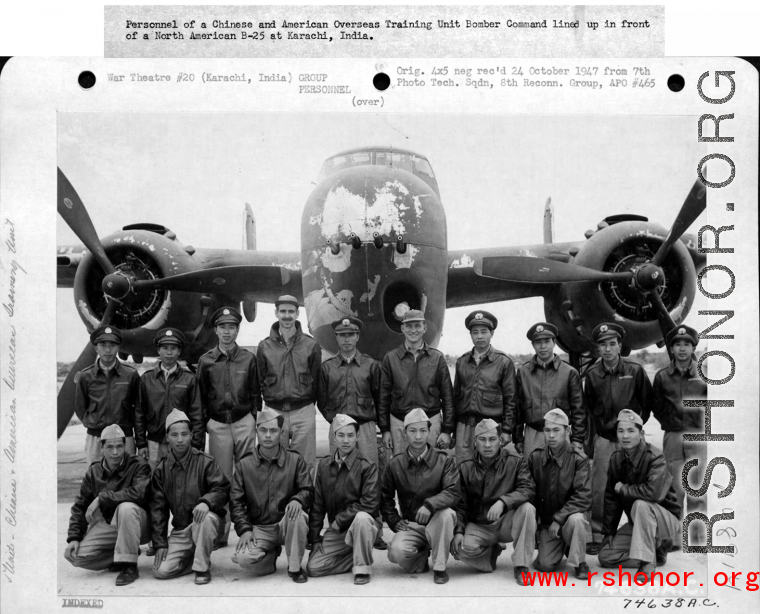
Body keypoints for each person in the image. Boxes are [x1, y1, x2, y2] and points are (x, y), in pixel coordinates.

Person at [317, 316, 387, 550]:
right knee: (337, 476)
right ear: (336, 337)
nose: (346, 339)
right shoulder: (327, 367)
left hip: (365, 427)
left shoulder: (371, 365)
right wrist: (335, 422)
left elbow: (380, 397)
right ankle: (337, 525)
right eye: (342, 335)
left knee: (369, 474)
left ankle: (374, 529)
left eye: (351, 334)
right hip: (339, 428)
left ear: (357, 336)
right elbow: (322, 399)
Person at [584, 322, 653, 551]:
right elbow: (590, 408)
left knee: (635, 484)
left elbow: (646, 404)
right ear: (598, 348)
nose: (607, 349)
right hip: (605, 440)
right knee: (600, 486)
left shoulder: (635, 370)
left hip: (631, 441)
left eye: (612, 344)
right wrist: (602, 430)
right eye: (602, 345)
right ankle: (598, 534)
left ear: (619, 346)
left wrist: (632, 429)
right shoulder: (593, 375)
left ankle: (638, 530)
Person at [197, 306, 259, 547]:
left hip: (244, 421)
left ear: (237, 329)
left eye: (231, 327)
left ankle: (249, 528)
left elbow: (255, 393)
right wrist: (206, 424)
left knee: (247, 477)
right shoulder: (205, 361)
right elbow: (200, 396)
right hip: (219, 425)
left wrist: (253, 417)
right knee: (221, 480)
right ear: (215, 330)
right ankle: (221, 532)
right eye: (222, 327)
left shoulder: (248, 358)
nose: (226, 331)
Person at [230, 408, 313, 583]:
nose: (268, 435)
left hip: (286, 524)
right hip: (260, 528)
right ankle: (270, 556)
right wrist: (244, 530)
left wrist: (298, 499)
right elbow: (236, 502)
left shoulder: (295, 460)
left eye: (273, 431)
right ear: (256, 432)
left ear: (281, 433)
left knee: (297, 516)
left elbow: (308, 490)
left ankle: (295, 567)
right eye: (263, 430)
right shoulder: (244, 464)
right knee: (243, 559)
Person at [598, 410, 681, 581]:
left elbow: (653, 493)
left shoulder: (655, 457)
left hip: (665, 521)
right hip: (641, 524)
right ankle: (654, 551)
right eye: (620, 431)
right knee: (606, 556)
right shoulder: (616, 459)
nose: (625, 436)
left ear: (641, 434)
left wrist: (624, 489)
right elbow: (611, 498)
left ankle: (646, 563)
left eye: (630, 431)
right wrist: (609, 532)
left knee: (641, 504)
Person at [64, 425, 151, 586]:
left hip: (140, 524)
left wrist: (101, 499)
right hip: (112, 526)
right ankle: (122, 553)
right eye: (110, 447)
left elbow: (139, 493)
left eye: (119, 446)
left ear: (125, 446)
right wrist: (74, 537)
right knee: (75, 556)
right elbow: (80, 506)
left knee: (126, 507)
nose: (115, 452)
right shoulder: (94, 471)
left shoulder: (138, 465)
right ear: (101, 447)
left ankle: (129, 566)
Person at [452, 418, 536, 585]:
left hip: (506, 523)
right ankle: (491, 553)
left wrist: (504, 502)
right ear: (475, 441)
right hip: (479, 525)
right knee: (458, 549)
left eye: (492, 439)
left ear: (501, 440)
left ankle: (521, 566)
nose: (488, 445)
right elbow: (459, 504)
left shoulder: (515, 462)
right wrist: (459, 531)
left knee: (527, 509)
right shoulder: (465, 467)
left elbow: (528, 489)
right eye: (482, 440)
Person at [381, 408, 459, 584]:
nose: (418, 436)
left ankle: (440, 567)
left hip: (439, 524)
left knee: (446, 514)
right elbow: (385, 498)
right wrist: (394, 520)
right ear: (404, 433)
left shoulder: (444, 461)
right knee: (396, 552)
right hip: (412, 526)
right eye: (413, 431)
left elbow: (453, 491)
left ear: (429, 432)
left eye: (423, 431)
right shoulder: (395, 464)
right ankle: (420, 558)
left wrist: (430, 505)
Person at [151, 409, 230, 584]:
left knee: (204, 518)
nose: (180, 439)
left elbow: (223, 489)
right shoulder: (161, 470)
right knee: (160, 571)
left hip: (206, 525)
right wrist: (160, 543)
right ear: (167, 437)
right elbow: (158, 510)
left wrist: (206, 502)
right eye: (175, 435)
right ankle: (192, 560)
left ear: (192, 435)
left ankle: (202, 568)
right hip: (181, 531)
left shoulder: (205, 462)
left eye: (184, 434)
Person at [307, 415, 380, 584]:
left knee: (361, 517)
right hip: (339, 531)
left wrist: (340, 520)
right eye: (341, 435)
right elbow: (317, 505)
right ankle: (355, 556)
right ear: (334, 437)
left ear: (357, 437)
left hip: (363, 527)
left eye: (350, 435)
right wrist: (315, 537)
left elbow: (370, 504)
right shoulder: (324, 466)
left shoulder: (367, 466)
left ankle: (362, 569)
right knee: (314, 567)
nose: (346, 440)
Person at [652, 325, 707, 544]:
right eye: (677, 345)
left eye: (686, 344)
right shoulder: (662, 376)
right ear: (671, 349)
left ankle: (697, 537)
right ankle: (673, 537)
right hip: (673, 436)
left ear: (693, 347)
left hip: (697, 436)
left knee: (697, 487)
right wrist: (671, 422)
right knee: (673, 489)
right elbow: (657, 405)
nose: (682, 349)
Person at [256, 295, 322, 472]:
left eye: (291, 312)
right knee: (275, 462)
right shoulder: (264, 346)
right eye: (283, 311)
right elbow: (260, 379)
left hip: (303, 411)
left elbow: (316, 379)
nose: (287, 316)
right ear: (276, 313)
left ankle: (305, 498)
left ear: (297, 314)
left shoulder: (311, 344)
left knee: (305, 463)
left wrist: (306, 404)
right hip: (275, 412)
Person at [378, 310, 455, 457]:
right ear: (402, 328)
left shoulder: (437, 358)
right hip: (399, 422)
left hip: (430, 422)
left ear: (424, 328)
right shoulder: (391, 358)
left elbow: (448, 397)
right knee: (400, 468)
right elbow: (383, 398)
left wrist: (446, 430)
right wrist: (385, 429)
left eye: (417, 325)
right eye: (409, 326)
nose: (413, 330)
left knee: (430, 469)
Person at [527, 409, 592, 580]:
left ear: (567, 431)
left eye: (556, 430)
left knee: (577, 519)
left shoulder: (579, 459)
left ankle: (579, 562)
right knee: (545, 565)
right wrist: (534, 527)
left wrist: (559, 519)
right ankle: (566, 546)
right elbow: (530, 494)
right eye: (547, 430)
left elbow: (583, 496)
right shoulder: (535, 457)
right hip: (549, 525)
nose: (551, 436)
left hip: (568, 520)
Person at [512, 322, 584, 460]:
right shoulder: (523, 372)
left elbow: (578, 410)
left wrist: (577, 439)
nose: (543, 346)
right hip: (533, 434)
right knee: (531, 477)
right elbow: (518, 408)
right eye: (538, 342)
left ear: (554, 342)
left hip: (560, 433)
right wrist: (518, 438)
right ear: (533, 345)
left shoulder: (569, 373)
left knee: (561, 477)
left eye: (546, 341)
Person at [452, 310, 516, 464]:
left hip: (491, 425)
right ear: (471, 335)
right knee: (463, 467)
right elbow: (455, 398)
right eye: (475, 332)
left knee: (490, 468)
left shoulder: (504, 362)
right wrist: (452, 430)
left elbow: (511, 399)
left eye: (484, 332)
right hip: (465, 426)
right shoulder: (462, 362)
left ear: (491, 333)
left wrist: (507, 430)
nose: (479, 336)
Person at [136, 328, 203, 467]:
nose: (169, 352)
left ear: (179, 351)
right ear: (158, 351)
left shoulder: (189, 379)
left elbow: (197, 413)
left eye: (173, 348)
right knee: (155, 482)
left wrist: (196, 443)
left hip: (181, 442)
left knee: (181, 481)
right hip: (154, 442)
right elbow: (139, 413)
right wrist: (141, 443)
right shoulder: (146, 379)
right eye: (165, 348)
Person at [74, 325, 140, 465]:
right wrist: (93, 424)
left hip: (124, 437)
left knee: (126, 480)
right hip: (96, 438)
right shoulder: (86, 376)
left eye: (113, 345)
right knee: (96, 479)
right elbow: (80, 408)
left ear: (118, 348)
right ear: (96, 348)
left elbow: (139, 409)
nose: (108, 350)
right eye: (103, 345)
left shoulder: (131, 375)